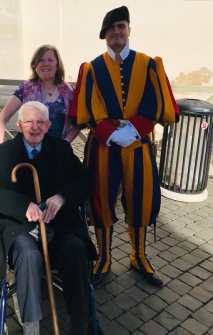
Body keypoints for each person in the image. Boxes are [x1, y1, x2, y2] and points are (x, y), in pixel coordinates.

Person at [0, 101, 97, 335]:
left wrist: (62, 196)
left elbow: (86, 181)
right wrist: (21, 205)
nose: (34, 127)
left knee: (75, 248)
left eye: (40, 122)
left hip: (59, 225)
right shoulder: (0, 155)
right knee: (27, 254)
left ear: (48, 126)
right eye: (28, 122)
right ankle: (31, 327)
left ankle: (80, 322)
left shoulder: (61, 150)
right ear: (18, 125)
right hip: (21, 228)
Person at [71, 6, 179, 287]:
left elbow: (157, 103)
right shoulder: (92, 68)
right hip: (103, 147)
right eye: (111, 29)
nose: (116, 32)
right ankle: (104, 258)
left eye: (121, 26)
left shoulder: (149, 64)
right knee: (101, 200)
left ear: (129, 29)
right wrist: (109, 133)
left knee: (140, 200)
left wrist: (133, 130)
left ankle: (138, 256)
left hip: (138, 145)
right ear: (104, 35)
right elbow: (86, 109)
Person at [0, 44, 80, 145]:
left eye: (50, 60)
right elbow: (2, 118)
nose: (45, 64)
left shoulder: (70, 91)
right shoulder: (25, 89)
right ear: (34, 65)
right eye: (41, 60)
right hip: (29, 151)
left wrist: (65, 142)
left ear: (57, 65)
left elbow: (78, 124)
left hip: (58, 152)